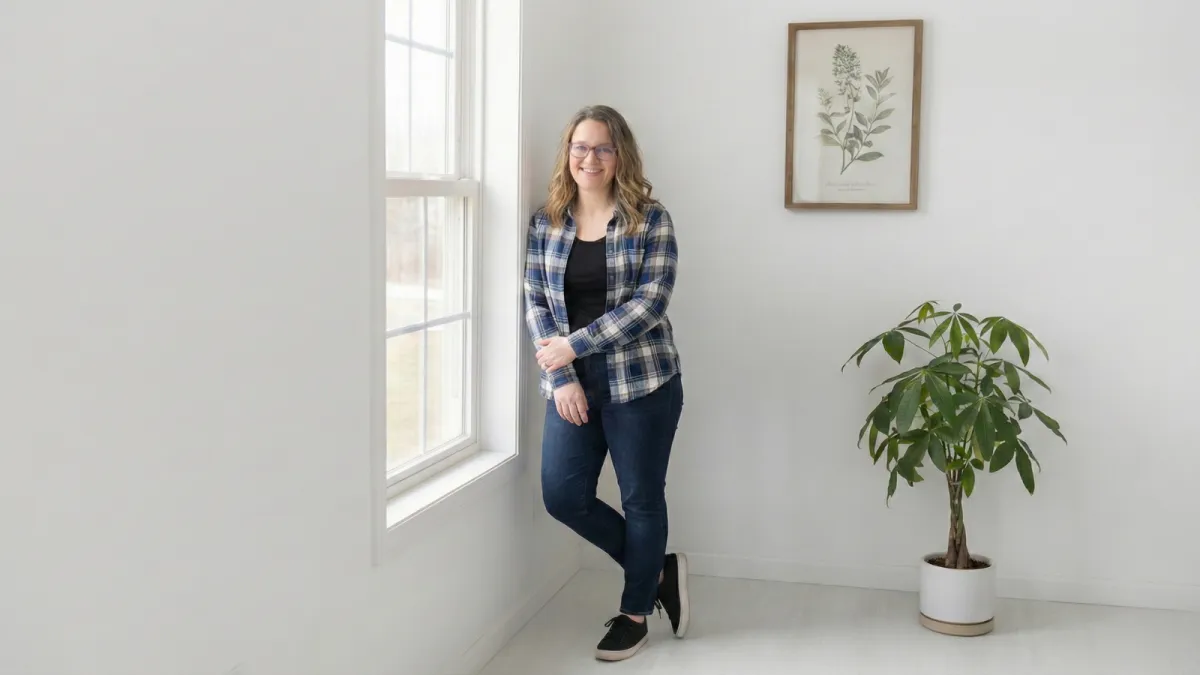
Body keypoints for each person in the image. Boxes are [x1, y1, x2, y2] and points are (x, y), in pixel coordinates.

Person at [523, 104, 688, 662]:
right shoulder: (546, 221)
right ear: (567, 153)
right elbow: (537, 303)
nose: (589, 158)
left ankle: (634, 613)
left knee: (641, 499)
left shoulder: (650, 219)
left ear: (621, 156)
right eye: (580, 147)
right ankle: (657, 570)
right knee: (563, 495)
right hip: (572, 386)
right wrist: (562, 373)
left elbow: (650, 303)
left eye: (602, 148)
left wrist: (575, 344)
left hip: (643, 381)